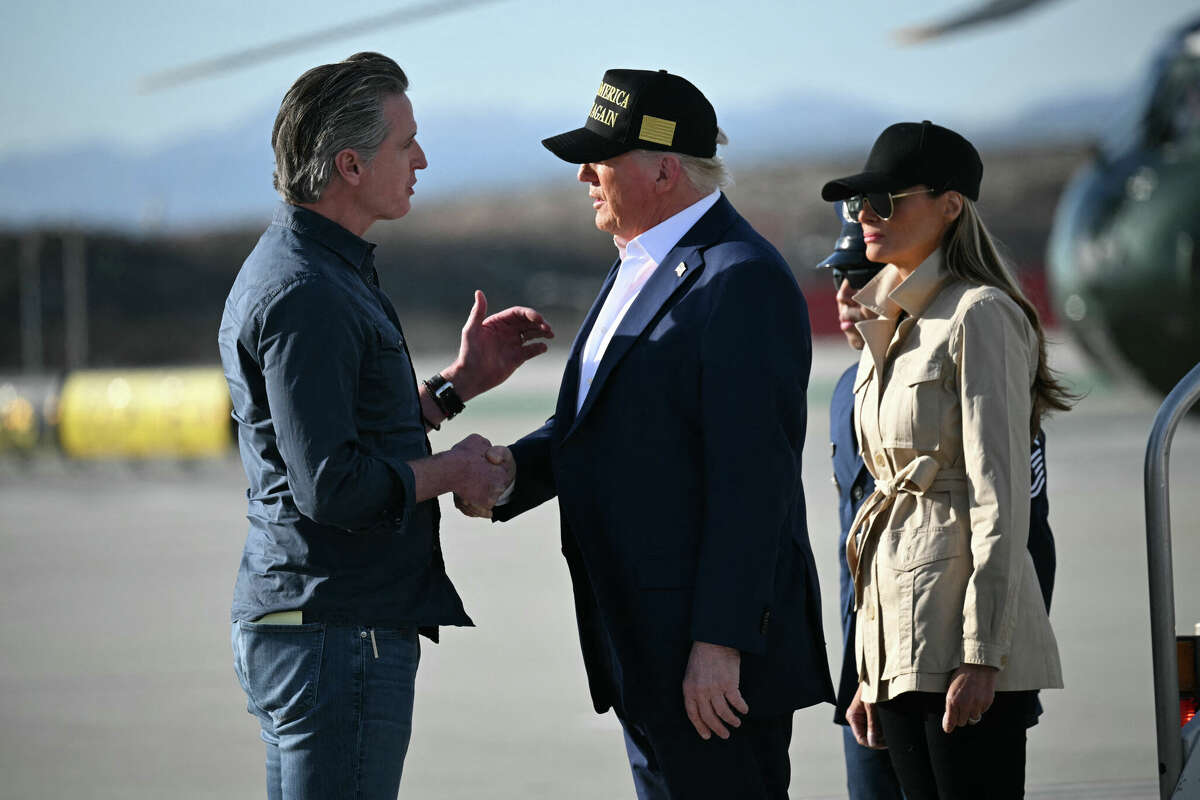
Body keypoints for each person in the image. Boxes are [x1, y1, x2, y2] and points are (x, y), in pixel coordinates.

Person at [463, 68, 834, 799]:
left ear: (664, 168)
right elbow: (603, 426)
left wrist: (720, 644)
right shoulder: (642, 262)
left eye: (600, 157)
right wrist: (510, 474)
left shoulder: (739, 279)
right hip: (642, 650)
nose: (582, 174)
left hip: (709, 665)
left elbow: (751, 481)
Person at [217, 52, 554, 800]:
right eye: (406, 144)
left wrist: (453, 389)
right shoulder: (307, 290)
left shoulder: (314, 268)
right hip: (333, 632)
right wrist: (455, 471)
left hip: (317, 624)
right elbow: (332, 485)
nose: (421, 160)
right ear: (349, 164)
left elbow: (338, 429)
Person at [820, 121, 1072, 799]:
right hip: (896, 645)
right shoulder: (888, 323)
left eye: (885, 201)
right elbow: (882, 504)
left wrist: (983, 652)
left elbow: (1002, 497)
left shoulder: (980, 315)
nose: (865, 218)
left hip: (960, 644)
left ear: (950, 204)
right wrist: (868, 671)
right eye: (856, 205)